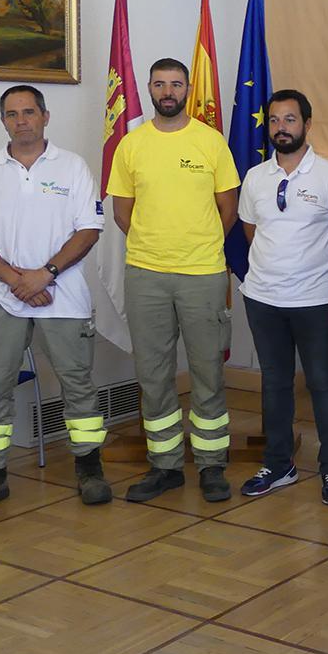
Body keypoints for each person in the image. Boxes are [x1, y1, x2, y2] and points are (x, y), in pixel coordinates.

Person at [0, 85, 109, 514]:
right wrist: (15, 280)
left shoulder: (73, 167)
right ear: (3, 120)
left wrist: (45, 275)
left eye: (28, 112)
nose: (21, 121)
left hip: (64, 294)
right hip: (3, 296)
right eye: (12, 114)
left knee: (77, 383)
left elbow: (89, 229)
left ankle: (90, 469)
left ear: (45, 116)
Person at [107, 57, 240, 503]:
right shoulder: (132, 144)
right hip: (146, 275)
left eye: (177, 84)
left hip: (202, 274)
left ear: (187, 89)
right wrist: (155, 245)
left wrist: (197, 244)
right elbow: (122, 212)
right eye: (160, 84)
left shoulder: (210, 141)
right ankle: (164, 466)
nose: (168, 92)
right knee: (153, 374)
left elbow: (228, 208)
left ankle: (211, 465)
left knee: (207, 372)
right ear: (149, 88)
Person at [237, 90, 328, 505]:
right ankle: (278, 464)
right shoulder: (255, 177)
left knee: (323, 383)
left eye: (289, 119)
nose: (281, 128)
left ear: (307, 124)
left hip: (316, 299)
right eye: (274, 120)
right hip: (263, 298)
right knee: (274, 383)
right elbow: (252, 230)